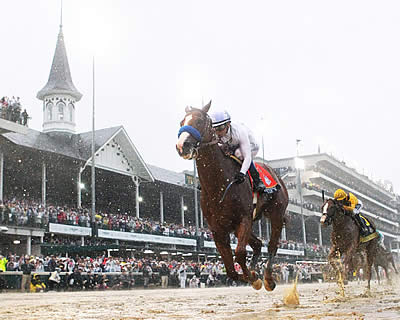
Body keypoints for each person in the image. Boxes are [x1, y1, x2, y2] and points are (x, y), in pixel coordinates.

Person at [210, 110, 276, 194]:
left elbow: (247, 156)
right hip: (233, 145)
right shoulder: (217, 133)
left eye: (220, 128)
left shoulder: (240, 132)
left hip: (251, 145)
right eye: (214, 128)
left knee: (238, 154)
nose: (217, 132)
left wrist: (242, 173)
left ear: (228, 124)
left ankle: (257, 180)